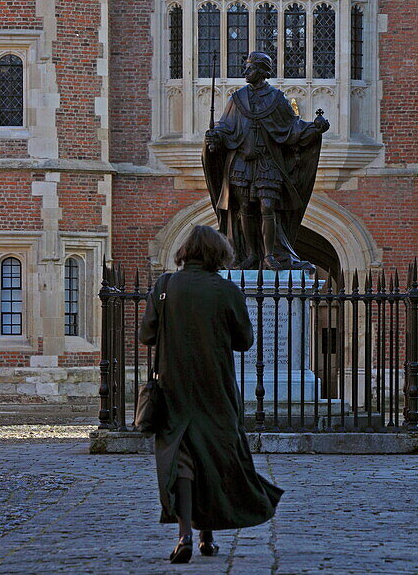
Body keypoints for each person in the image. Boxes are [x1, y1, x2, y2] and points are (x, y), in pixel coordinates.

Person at [139, 224, 283, 564]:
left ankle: (187, 534)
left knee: (183, 458)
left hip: (173, 386)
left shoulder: (165, 286)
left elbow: (147, 335)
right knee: (215, 455)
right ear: (219, 254)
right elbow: (244, 341)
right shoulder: (227, 290)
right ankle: (206, 537)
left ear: (184, 253)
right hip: (215, 386)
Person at [202, 50, 330, 269]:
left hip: (267, 162)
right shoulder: (238, 98)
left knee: (267, 206)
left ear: (261, 71)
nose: (245, 71)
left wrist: (315, 128)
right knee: (245, 209)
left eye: (250, 68)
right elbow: (225, 126)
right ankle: (252, 254)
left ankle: (269, 255)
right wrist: (215, 135)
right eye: (246, 67)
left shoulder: (276, 99)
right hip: (242, 162)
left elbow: (291, 128)